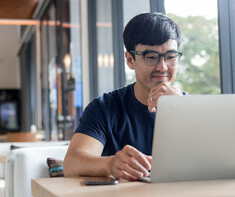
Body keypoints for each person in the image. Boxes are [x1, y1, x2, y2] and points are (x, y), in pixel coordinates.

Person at [63, 12, 186, 181]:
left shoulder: (191, 108)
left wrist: (183, 110)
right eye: (151, 57)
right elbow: (71, 164)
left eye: (171, 57)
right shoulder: (104, 108)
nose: (162, 67)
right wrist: (111, 164)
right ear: (130, 60)